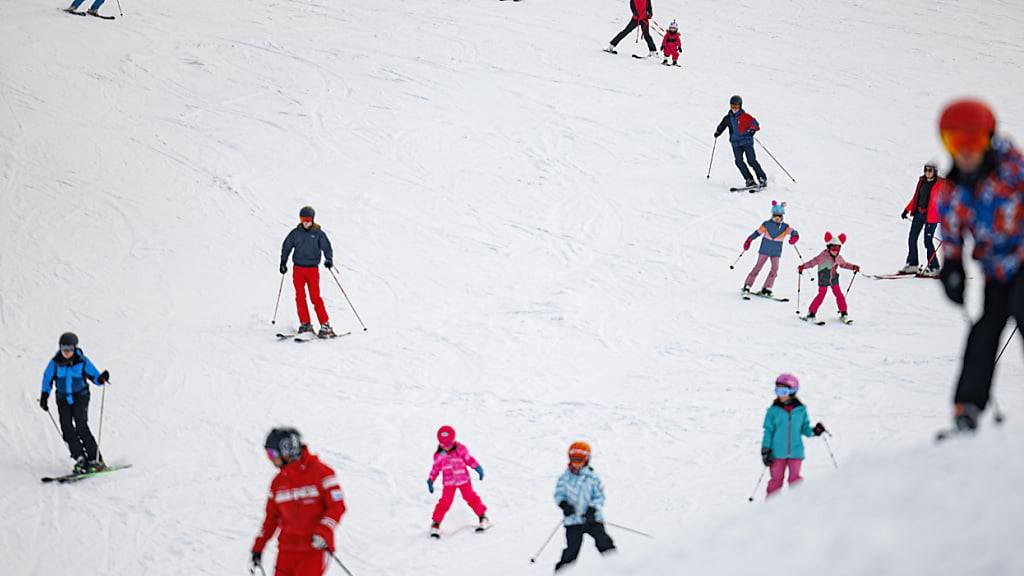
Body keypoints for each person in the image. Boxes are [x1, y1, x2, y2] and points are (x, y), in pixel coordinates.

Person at [936, 99, 1024, 431]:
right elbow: (952, 230)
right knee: (983, 331)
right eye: (954, 141)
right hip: (995, 271)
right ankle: (967, 407)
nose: (965, 150)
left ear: (987, 139)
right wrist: (953, 266)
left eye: (972, 141)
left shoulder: (1014, 172)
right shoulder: (954, 188)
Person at [251, 428, 346, 576]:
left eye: (272, 454)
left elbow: (337, 506)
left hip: (314, 549)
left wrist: (323, 531)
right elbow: (271, 518)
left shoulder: (322, 473)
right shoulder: (278, 483)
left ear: (287, 450)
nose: (270, 459)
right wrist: (258, 547)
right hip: (287, 550)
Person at [39, 332, 110, 474]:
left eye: (70, 349)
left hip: (80, 397)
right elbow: (47, 379)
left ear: (74, 348)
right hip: (63, 399)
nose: (66, 352)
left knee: (81, 426)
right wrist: (44, 396)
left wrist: (101, 378)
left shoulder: (82, 361)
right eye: (64, 349)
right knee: (67, 428)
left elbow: (94, 376)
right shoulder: (55, 362)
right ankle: (80, 459)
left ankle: (96, 459)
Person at [760, 374, 827, 497]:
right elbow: (768, 431)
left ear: (792, 391)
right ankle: (770, 509)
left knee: (795, 480)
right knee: (776, 481)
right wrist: (765, 449)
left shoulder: (801, 410)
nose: (779, 394)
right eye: (777, 390)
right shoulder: (773, 411)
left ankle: (797, 507)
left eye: (783, 391)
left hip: (796, 452)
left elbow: (805, 430)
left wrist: (815, 431)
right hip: (777, 453)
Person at [553, 442, 616, 572]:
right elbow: (559, 494)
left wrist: (592, 509)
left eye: (579, 460)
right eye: (573, 460)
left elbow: (599, 497)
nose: (576, 463)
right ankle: (562, 571)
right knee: (571, 549)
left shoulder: (592, 478)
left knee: (603, 540)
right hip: (573, 521)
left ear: (586, 460)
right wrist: (564, 505)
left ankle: (617, 565)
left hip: (592, 519)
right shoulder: (564, 478)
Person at [280, 206, 335, 337]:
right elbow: (286, 246)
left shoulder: (318, 234)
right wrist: (283, 262)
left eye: (308, 220)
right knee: (300, 297)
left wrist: (329, 260)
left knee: (315, 297)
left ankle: (325, 325)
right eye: (303, 219)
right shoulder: (295, 233)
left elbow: (327, 247)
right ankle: (305, 324)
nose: (305, 222)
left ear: (312, 219)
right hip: (298, 269)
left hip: (312, 270)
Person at [427, 425, 489, 537]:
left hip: (464, 480)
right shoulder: (439, 455)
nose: (446, 447)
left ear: (453, 440)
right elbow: (435, 468)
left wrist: (477, 467)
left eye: (449, 444)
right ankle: (436, 523)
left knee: (471, 497)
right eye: (443, 445)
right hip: (448, 483)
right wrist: (431, 479)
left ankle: (483, 517)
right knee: (445, 502)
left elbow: (469, 459)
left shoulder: (460, 449)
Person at [798, 232, 860, 322]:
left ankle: (843, 312)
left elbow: (844, 264)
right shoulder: (822, 256)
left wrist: (853, 267)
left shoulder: (838, 257)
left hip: (834, 277)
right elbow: (812, 262)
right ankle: (811, 313)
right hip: (824, 276)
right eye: (833, 248)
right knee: (821, 294)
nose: (835, 251)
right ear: (828, 247)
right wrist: (803, 267)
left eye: (837, 249)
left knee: (839, 294)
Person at [743, 201, 799, 297]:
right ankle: (747, 285)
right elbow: (757, 233)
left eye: (779, 216)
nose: (777, 218)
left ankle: (767, 288)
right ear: (772, 215)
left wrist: (794, 237)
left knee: (775, 269)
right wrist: (749, 240)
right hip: (764, 250)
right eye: (775, 216)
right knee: (758, 267)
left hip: (776, 252)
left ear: (782, 216)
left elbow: (794, 232)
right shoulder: (767, 224)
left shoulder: (785, 227)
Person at [900, 161, 946, 276]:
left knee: (928, 241)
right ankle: (912, 264)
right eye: (926, 170)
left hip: (931, 217)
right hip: (918, 214)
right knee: (912, 238)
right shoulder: (922, 181)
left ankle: (934, 268)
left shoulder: (940, 184)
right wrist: (907, 209)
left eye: (930, 170)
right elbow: (916, 197)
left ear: (934, 171)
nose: (927, 173)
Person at [715, 95, 767, 189]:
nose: (734, 108)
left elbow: (755, 124)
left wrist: (752, 130)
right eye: (732, 106)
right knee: (738, 162)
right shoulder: (728, 118)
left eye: (736, 106)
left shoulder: (745, 116)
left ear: (740, 106)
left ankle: (762, 178)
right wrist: (718, 132)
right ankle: (749, 180)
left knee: (751, 161)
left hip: (746, 142)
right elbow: (722, 125)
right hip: (735, 144)